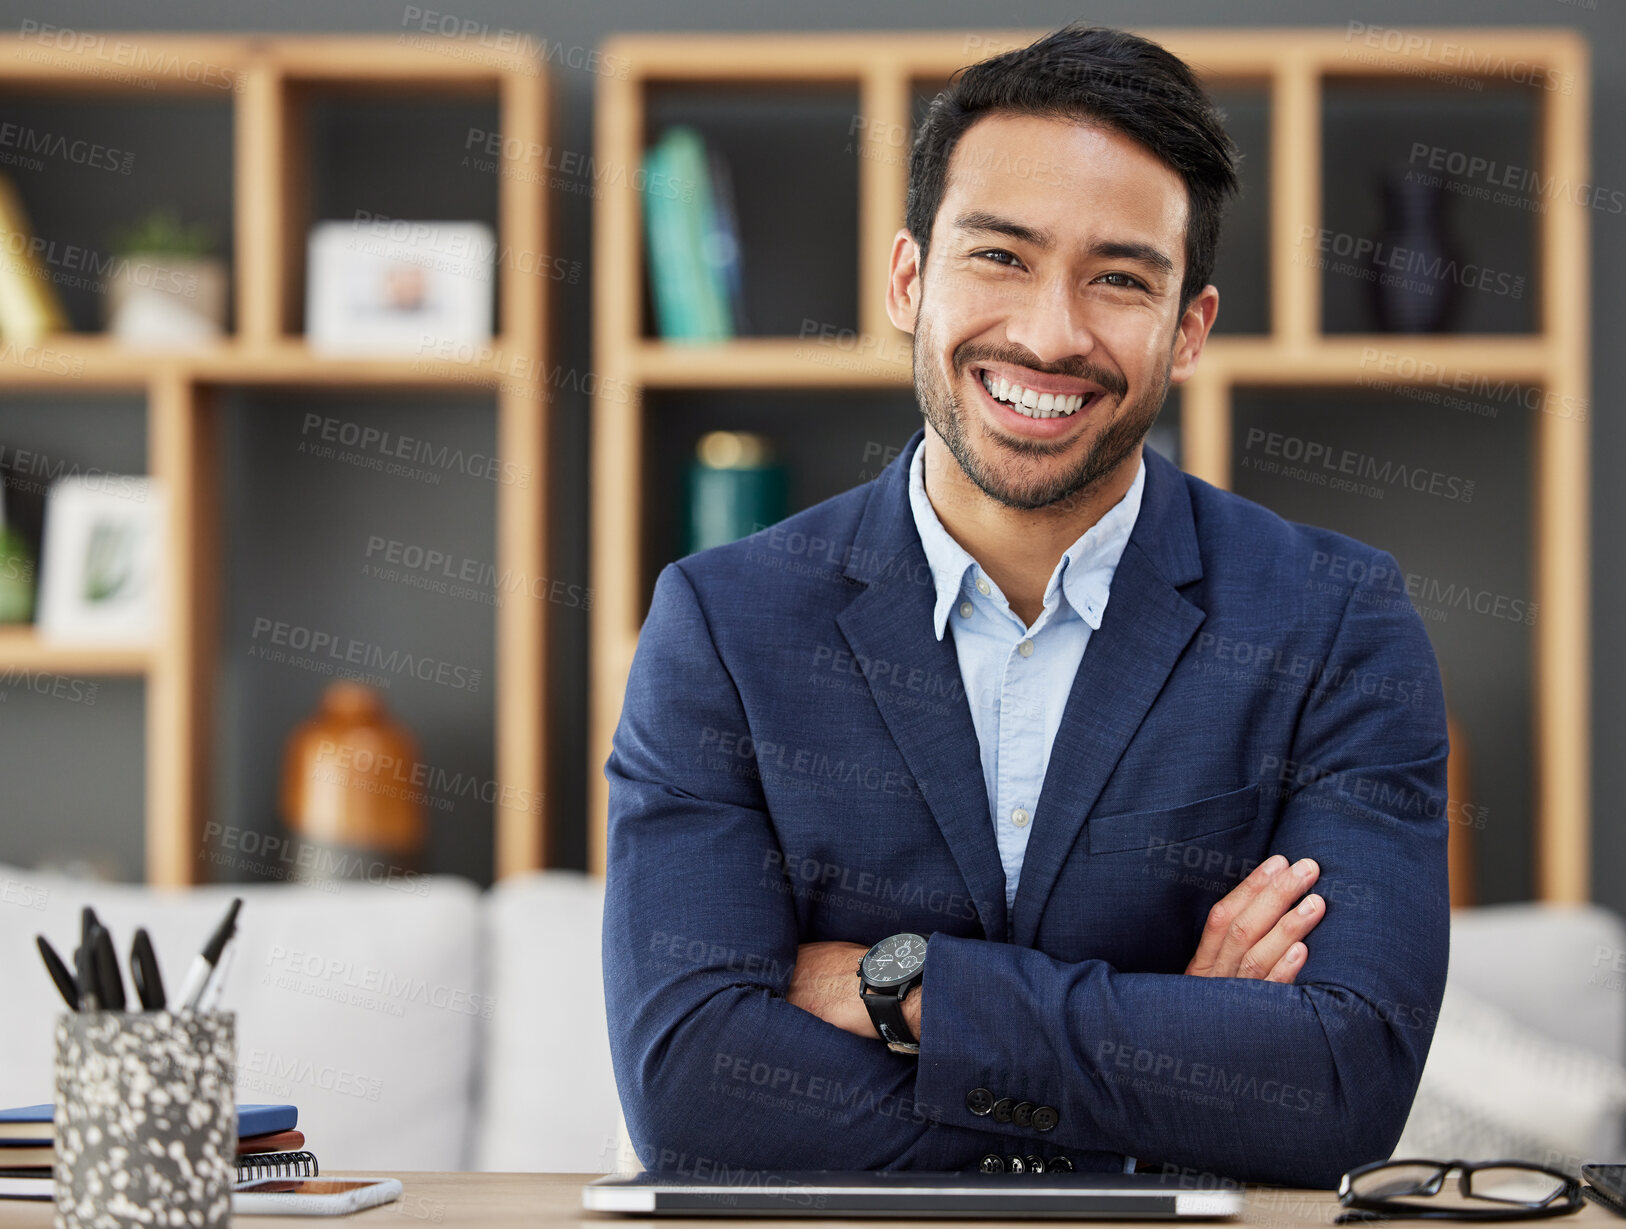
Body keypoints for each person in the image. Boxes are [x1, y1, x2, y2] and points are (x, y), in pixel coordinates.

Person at [603, 23, 1448, 1189]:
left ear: (1188, 328)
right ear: (909, 279)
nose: (1051, 334)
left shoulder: (1337, 623)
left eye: (1119, 278)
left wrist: (904, 987)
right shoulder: (723, 626)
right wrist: (1174, 1055)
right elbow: (692, 1090)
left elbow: (1341, 1090)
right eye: (1000, 256)